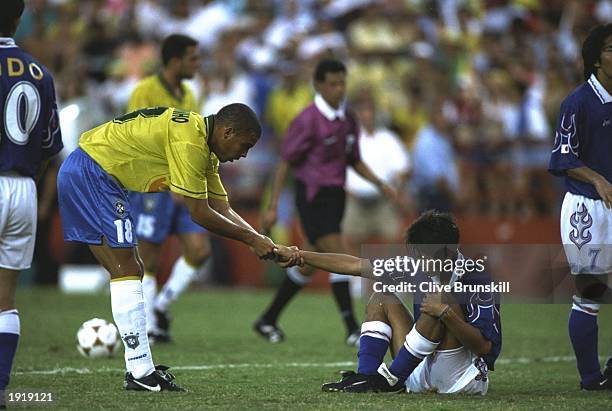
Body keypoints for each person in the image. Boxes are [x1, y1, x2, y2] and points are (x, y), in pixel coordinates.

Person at [57, 104, 290, 392]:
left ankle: (140, 370)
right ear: (227, 132)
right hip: (93, 173)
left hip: (95, 173)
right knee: (128, 268)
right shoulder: (189, 140)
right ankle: (140, 372)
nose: (244, 154)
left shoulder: (202, 143)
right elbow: (199, 212)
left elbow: (221, 206)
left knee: (130, 269)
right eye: (245, 145)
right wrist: (251, 240)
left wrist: (262, 240)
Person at [275, 211, 501, 394]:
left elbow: (483, 347)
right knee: (382, 296)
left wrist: (446, 314)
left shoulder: (475, 277)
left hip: (459, 378)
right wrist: (300, 255)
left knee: (441, 298)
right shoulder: (417, 265)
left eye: (421, 255)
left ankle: (391, 379)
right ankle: (368, 378)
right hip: (418, 368)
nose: (415, 260)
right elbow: (355, 265)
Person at [255, 59, 396, 345]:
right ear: (318, 85)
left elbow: (353, 159)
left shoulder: (348, 119)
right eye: (332, 83)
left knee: (307, 264)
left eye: (342, 83)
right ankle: (352, 328)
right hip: (312, 195)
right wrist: (272, 206)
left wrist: (380, 183)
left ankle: (268, 318)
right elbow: (285, 162)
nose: (338, 89)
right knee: (338, 253)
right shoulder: (306, 120)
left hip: (335, 196)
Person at [0, 0, 63, 405]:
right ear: (19, 19)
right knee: (5, 298)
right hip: (23, 189)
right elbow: (48, 147)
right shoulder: (40, 72)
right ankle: (2, 390)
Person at [127, 33, 209, 343]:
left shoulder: (188, 94)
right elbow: (135, 138)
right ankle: (147, 326)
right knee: (149, 258)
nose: (197, 64)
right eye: (193, 58)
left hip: (184, 187)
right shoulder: (145, 92)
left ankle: (161, 305)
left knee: (200, 250)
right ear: (174, 60)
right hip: (153, 186)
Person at [548, 23, 612, 391]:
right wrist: (598, 179)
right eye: (610, 48)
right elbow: (562, 157)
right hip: (587, 209)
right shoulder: (578, 101)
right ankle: (591, 379)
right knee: (590, 294)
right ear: (596, 58)